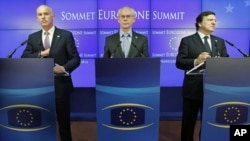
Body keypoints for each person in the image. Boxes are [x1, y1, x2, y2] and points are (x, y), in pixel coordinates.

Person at [21, 5, 80, 141]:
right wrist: (41, 53)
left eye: (46, 14)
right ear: (37, 18)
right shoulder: (32, 37)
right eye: (40, 15)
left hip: (60, 86)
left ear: (53, 16)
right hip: (39, 88)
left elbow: (75, 58)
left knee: (63, 123)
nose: (43, 17)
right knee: (40, 122)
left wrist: (64, 68)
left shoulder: (65, 35)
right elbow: (25, 57)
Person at [175, 11, 229, 141]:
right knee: (189, 121)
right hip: (193, 88)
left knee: (209, 121)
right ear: (200, 23)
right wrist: (196, 61)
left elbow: (226, 61)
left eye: (215, 20)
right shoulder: (187, 41)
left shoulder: (219, 42)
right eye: (210, 20)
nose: (214, 22)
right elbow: (179, 62)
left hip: (213, 88)